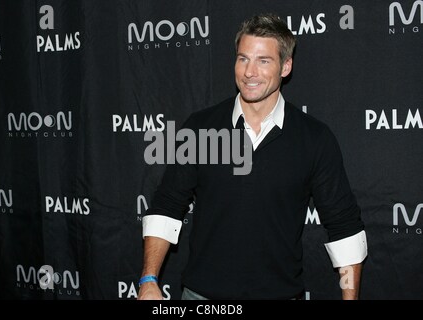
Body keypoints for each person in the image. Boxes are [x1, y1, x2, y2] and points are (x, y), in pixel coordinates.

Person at [138, 13, 367, 300]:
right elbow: (167, 206)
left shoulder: (314, 139)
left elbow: (344, 227)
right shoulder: (200, 128)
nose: (249, 72)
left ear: (286, 66)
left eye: (263, 61)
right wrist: (148, 279)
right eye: (243, 58)